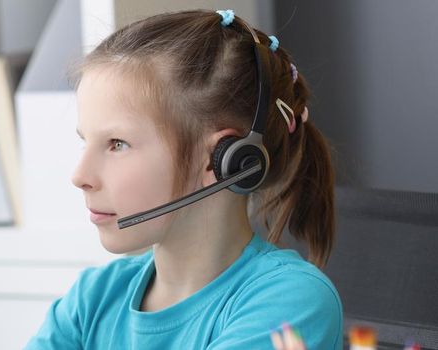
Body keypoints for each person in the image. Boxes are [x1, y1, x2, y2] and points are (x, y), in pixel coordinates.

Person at [25, 9, 342, 349]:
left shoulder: (291, 303)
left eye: (117, 144)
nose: (80, 176)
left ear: (219, 159)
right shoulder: (92, 300)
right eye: (85, 141)